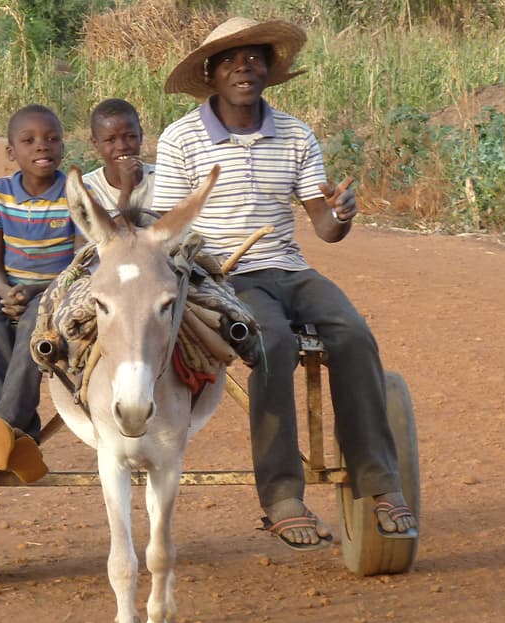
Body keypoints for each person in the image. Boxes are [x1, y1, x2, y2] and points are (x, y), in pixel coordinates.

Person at [152, 17, 419, 550]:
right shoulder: (181, 138)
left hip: (289, 269)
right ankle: (281, 498)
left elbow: (324, 228)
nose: (242, 67)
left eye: (253, 57)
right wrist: (197, 277)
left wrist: (341, 214)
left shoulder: (294, 133)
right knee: (270, 342)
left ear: (270, 71)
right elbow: (166, 230)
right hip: (224, 277)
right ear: (210, 74)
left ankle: (378, 482)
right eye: (229, 59)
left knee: (352, 332)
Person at [0, 104, 78, 484]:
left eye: (52, 138)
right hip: (9, 289)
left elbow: (81, 263)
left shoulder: (75, 192)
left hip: (58, 291)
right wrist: (5, 292)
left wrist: (37, 289)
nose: (43, 146)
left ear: (63, 145)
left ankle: (6, 424)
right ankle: (24, 433)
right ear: (12, 152)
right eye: (29, 141)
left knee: (31, 327)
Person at [81, 98, 155, 220]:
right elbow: (111, 237)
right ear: (95, 143)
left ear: (141, 136)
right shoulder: (89, 188)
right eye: (110, 140)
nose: (122, 146)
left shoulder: (162, 178)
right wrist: (126, 191)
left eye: (130, 136)